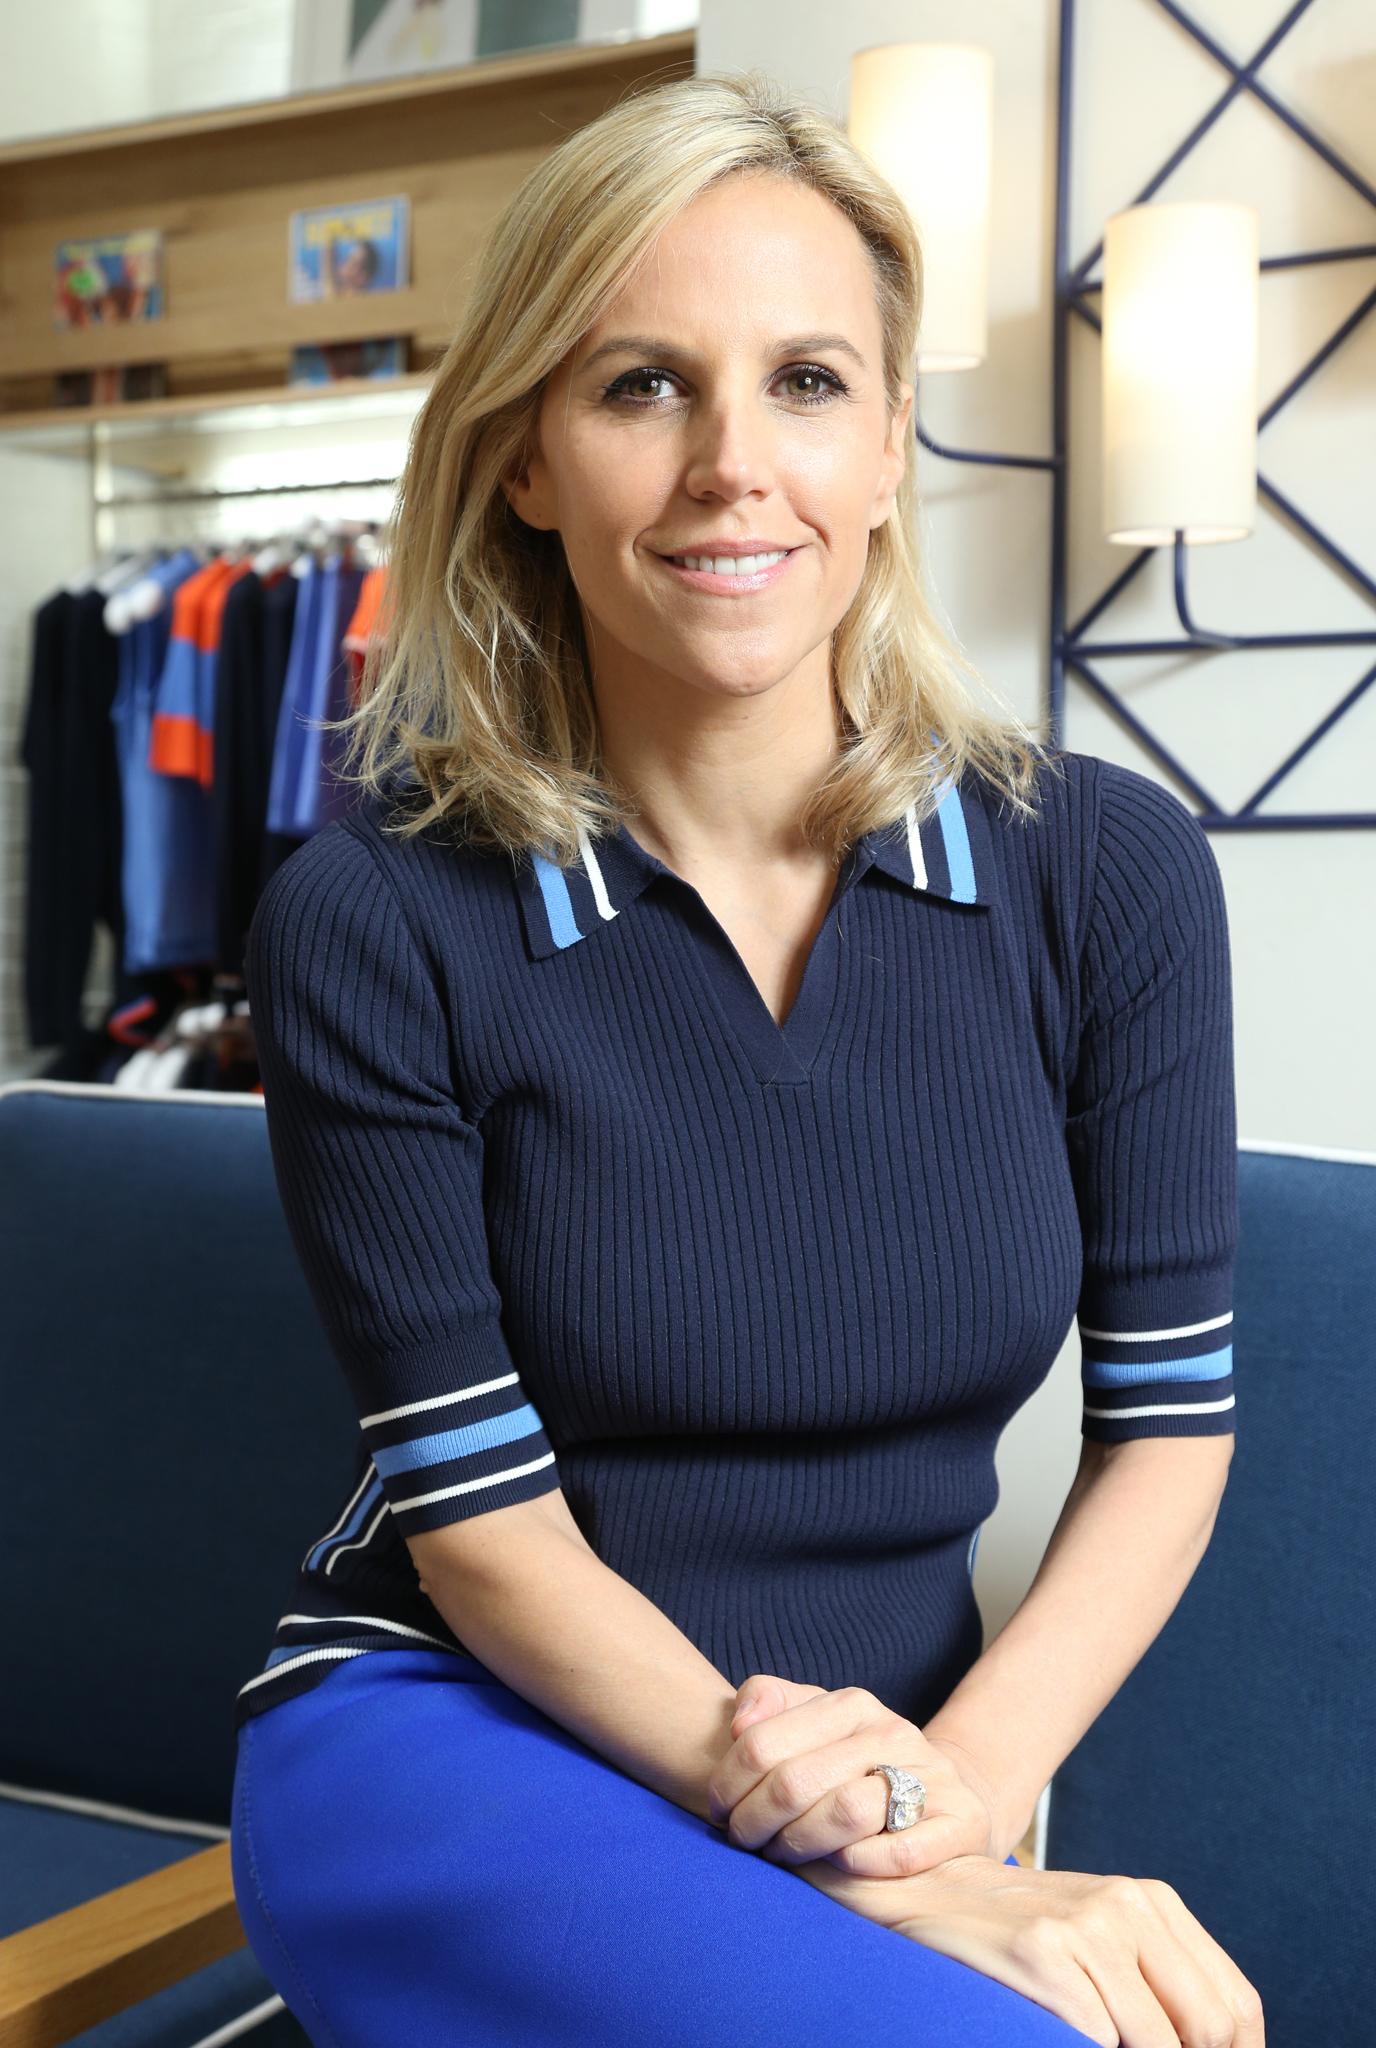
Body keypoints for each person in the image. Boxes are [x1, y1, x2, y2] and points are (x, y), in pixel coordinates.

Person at [232, 74, 1262, 2048]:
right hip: (458, 1733)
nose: (732, 465)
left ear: (887, 443)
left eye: (804, 382)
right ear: (526, 460)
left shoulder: (1105, 875)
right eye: (641, 385)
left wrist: (946, 1803)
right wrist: (882, 1845)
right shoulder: (370, 919)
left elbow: (1167, 1438)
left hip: (900, 1764)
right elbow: (483, 1532)